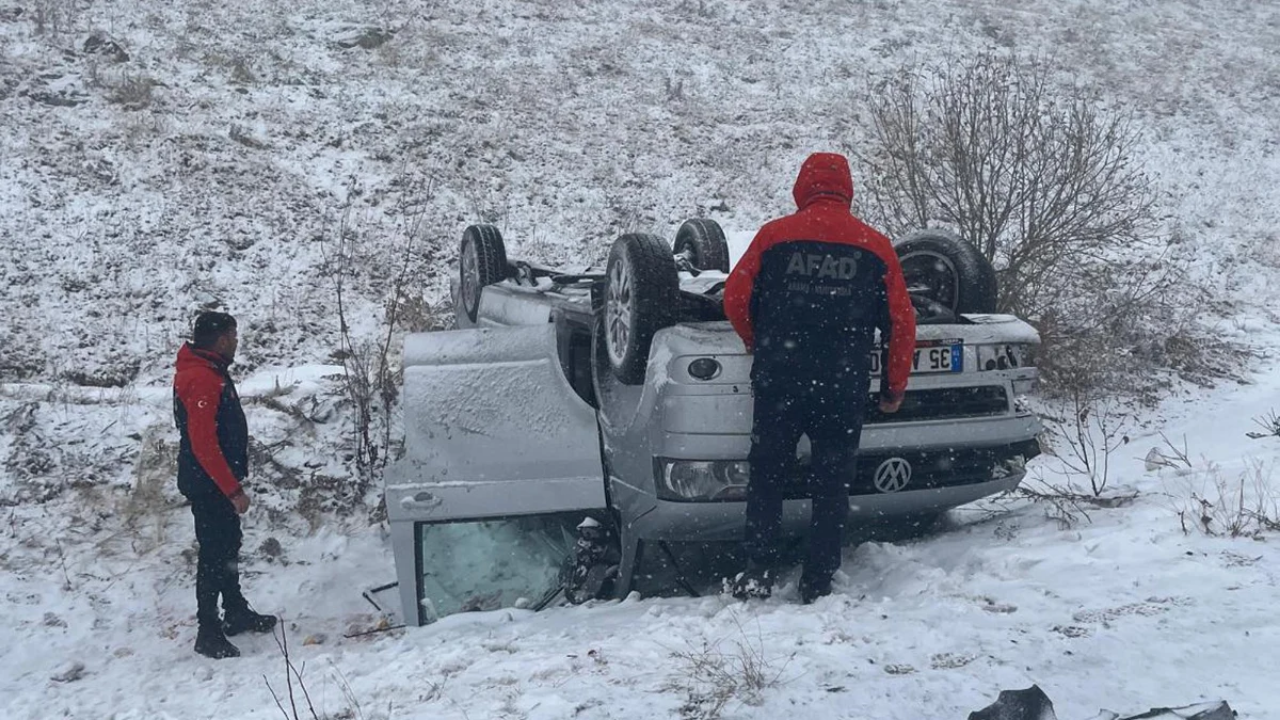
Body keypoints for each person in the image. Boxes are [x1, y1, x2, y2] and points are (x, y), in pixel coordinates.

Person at [723, 152, 916, 603]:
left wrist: (757, 338)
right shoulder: (876, 245)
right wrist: (894, 386)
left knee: (768, 475)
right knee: (832, 483)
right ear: (846, 189)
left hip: (779, 380)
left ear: (802, 187)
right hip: (842, 384)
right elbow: (902, 322)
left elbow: (734, 296)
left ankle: (757, 571)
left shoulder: (774, 236)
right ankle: (818, 579)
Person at [173, 311, 277, 658]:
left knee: (228, 545)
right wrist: (231, 489)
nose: (236, 342)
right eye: (233, 336)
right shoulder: (201, 377)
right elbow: (203, 443)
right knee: (214, 554)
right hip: (209, 483)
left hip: (215, 479)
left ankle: (234, 611)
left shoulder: (210, 370)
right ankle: (208, 630)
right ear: (220, 340)